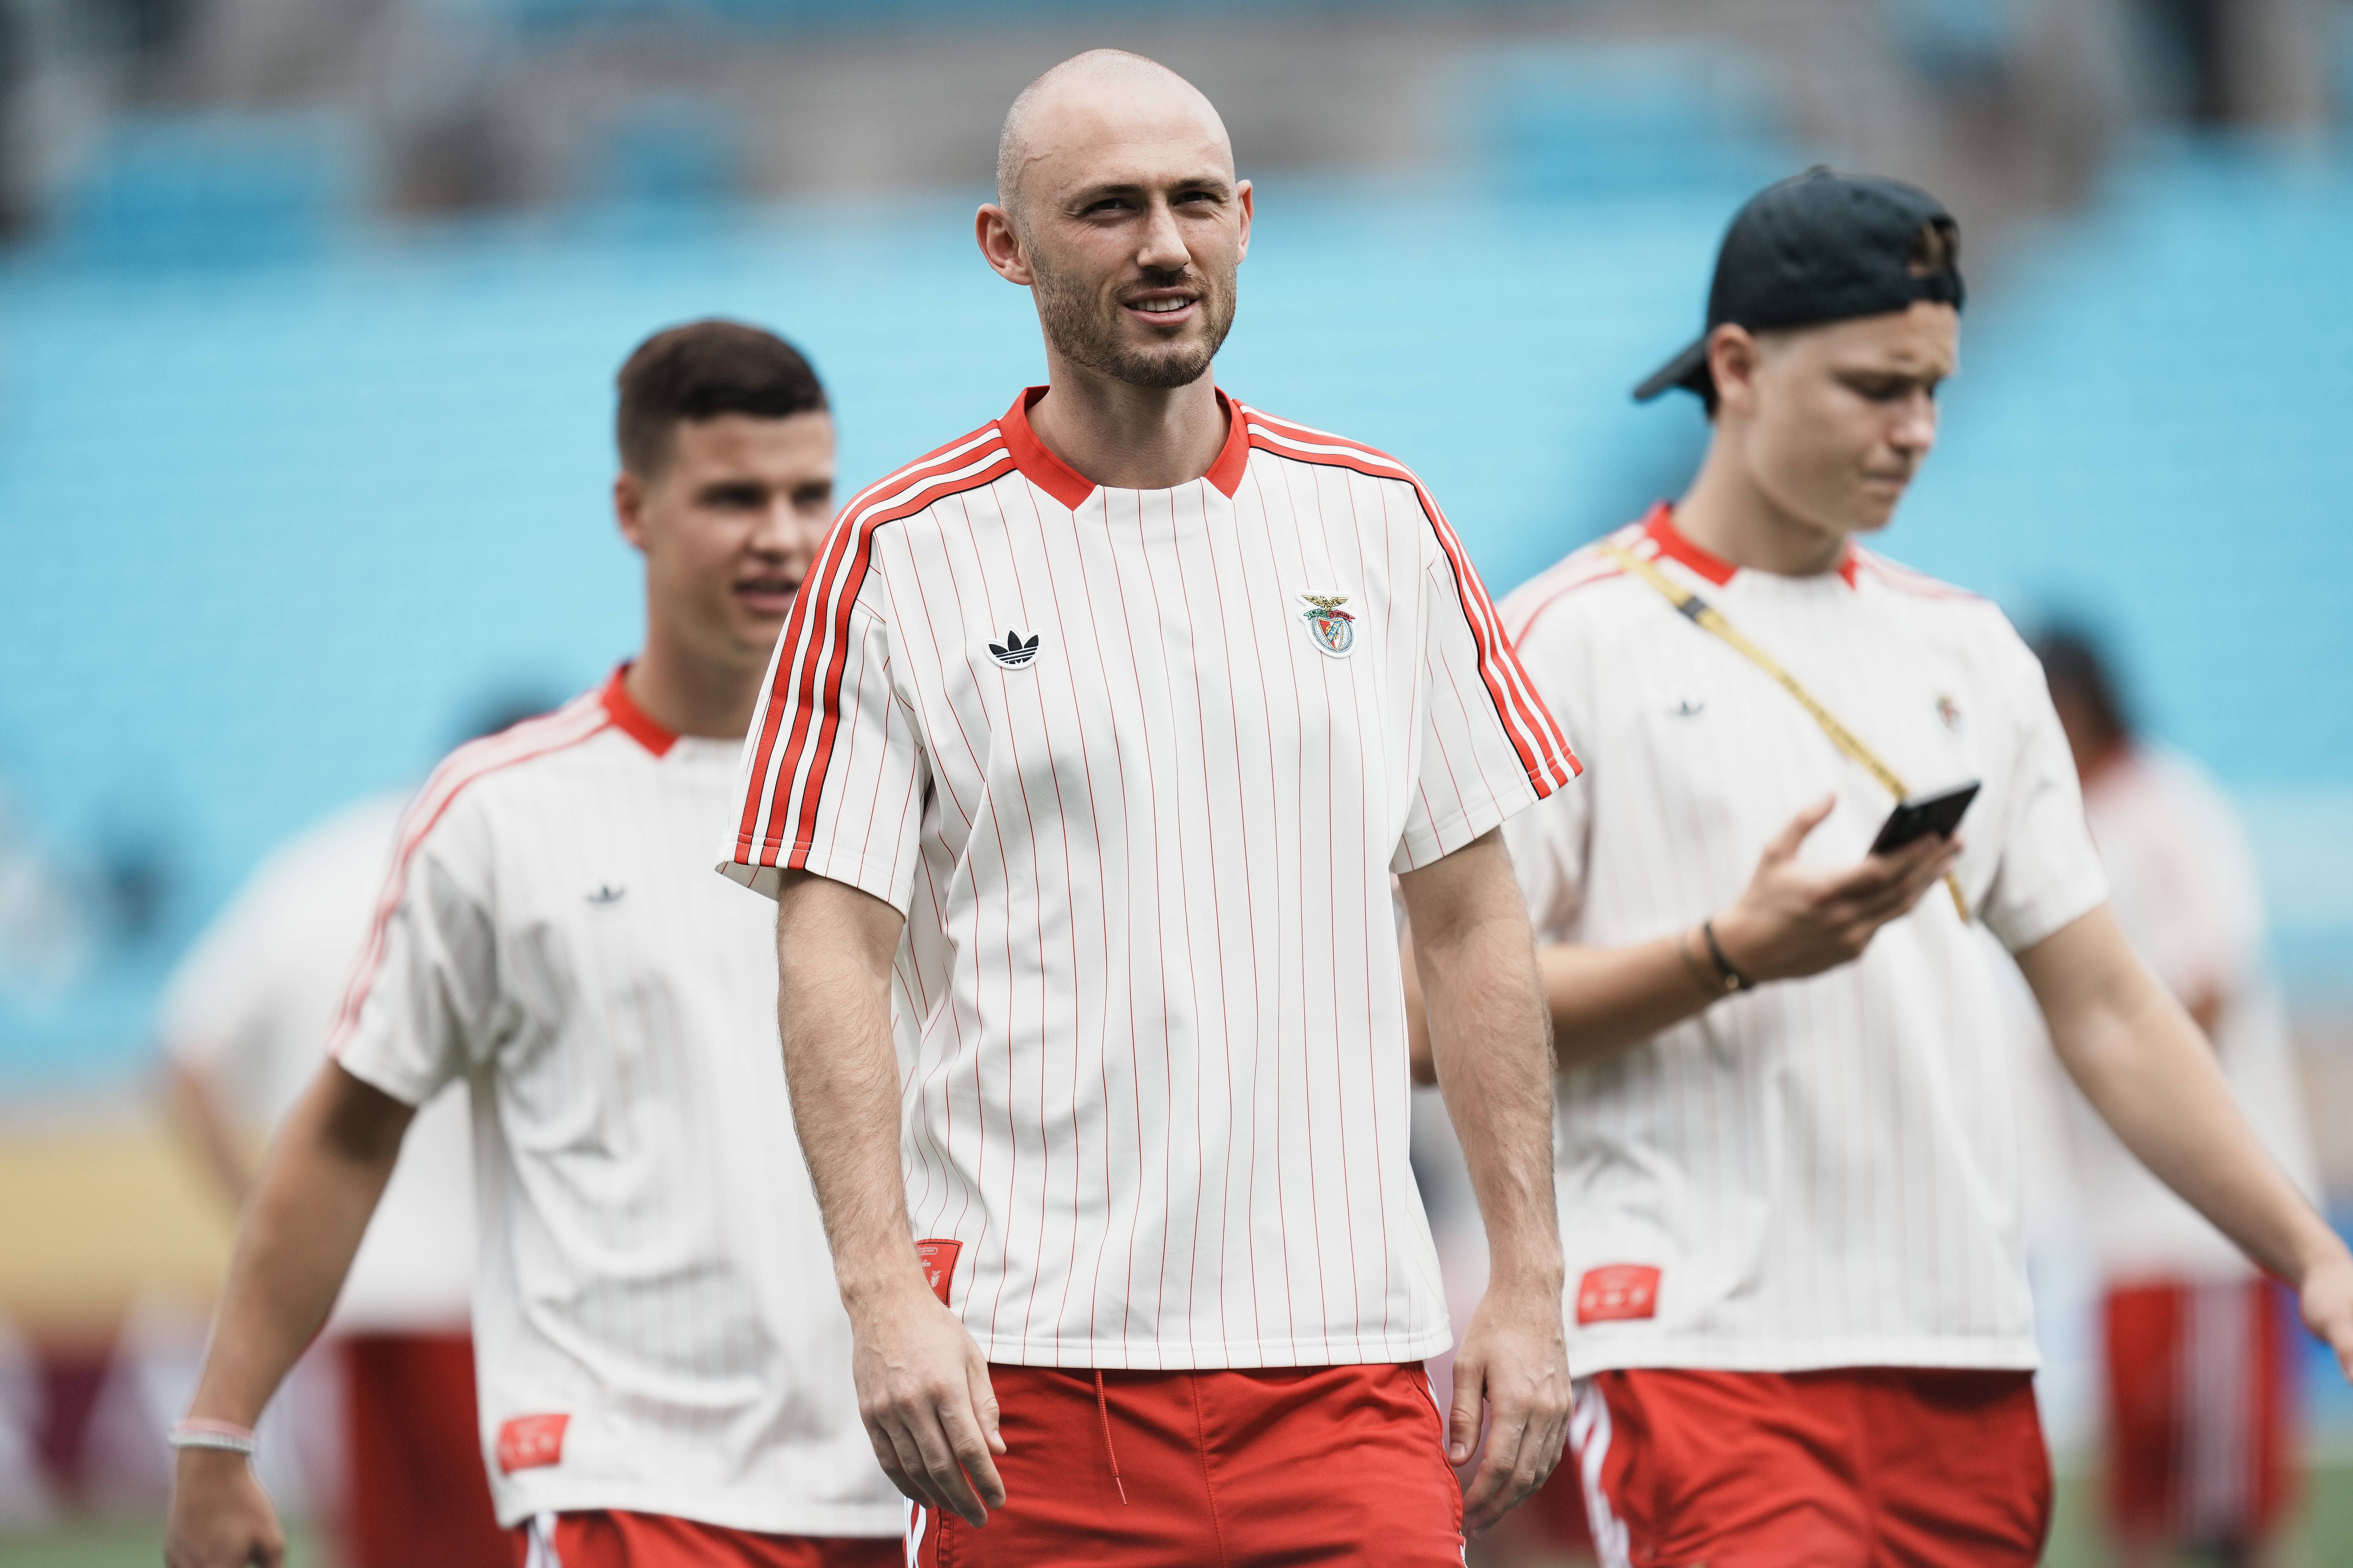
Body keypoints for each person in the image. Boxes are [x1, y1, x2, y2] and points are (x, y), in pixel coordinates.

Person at [720, 50, 1581, 1567]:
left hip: (1351, 1369)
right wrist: (878, 1295)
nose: (1163, 245)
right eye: (1107, 209)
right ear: (1006, 246)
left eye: (1194, 202)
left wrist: (1524, 1276)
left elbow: (1469, 919)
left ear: (1246, 219)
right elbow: (830, 954)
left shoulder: (1377, 523)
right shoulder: (895, 557)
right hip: (1027, 1388)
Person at [1448, 168, 2353, 1568]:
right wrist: (1730, 950)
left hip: (1968, 1350)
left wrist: (2312, 1254)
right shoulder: (1565, 639)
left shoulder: (1972, 654)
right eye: (1878, 387)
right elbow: (1428, 1015)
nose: (1917, 430)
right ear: (1738, 368)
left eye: (1933, 388)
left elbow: (2106, 1003)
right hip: (1702, 1346)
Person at [164, 319, 904, 1568]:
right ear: (635, 507)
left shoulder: (913, 778)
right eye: (732, 496)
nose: (780, 534)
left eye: (807, 494)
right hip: (635, 1482)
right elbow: (349, 1131)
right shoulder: (501, 811)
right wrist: (219, 1428)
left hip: (912, 1468)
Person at [158, 773, 506, 1568]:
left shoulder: (311, 873)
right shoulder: (509, 862)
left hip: (342, 1291)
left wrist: (271, 1224)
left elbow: (184, 1059)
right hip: (482, 1289)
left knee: (382, 1547)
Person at [2033, 627, 2319, 1567]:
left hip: (2199, 1223)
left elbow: (2209, 979)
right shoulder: (2065, 824)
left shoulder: (2167, 807)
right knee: (2143, 1498)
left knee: (2226, 1506)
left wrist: (2107, 1053)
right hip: (2119, 1223)